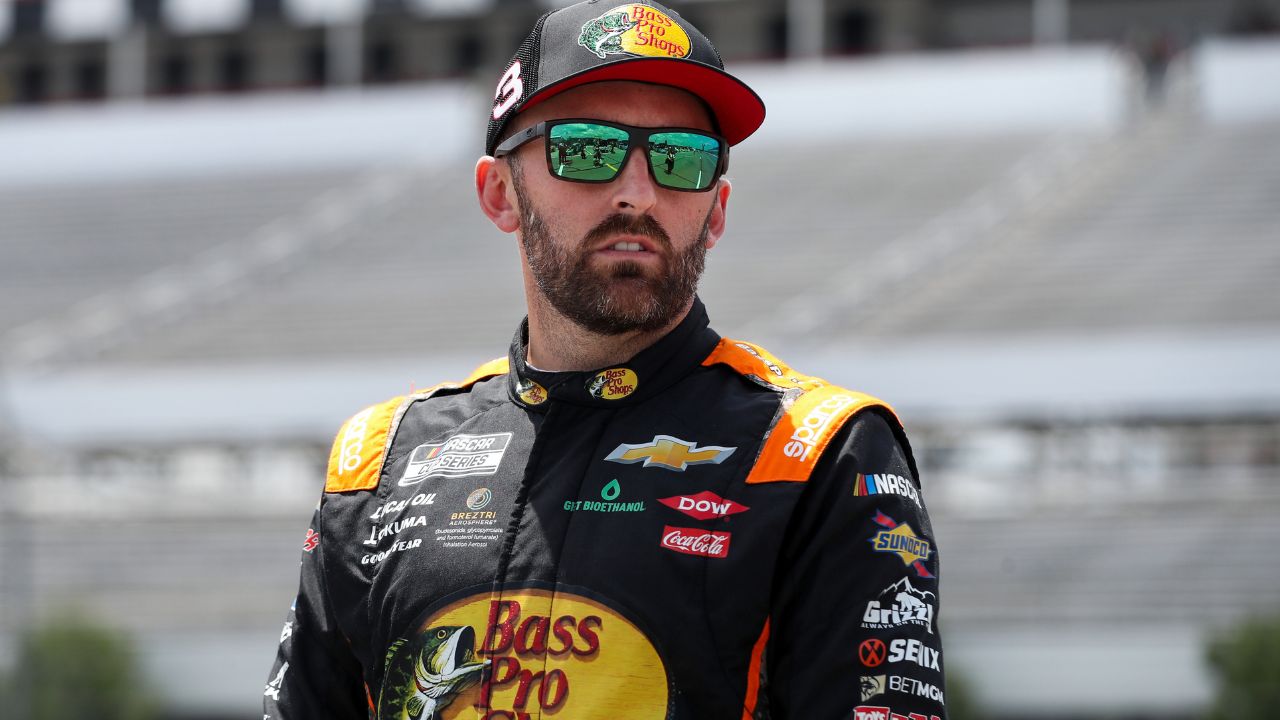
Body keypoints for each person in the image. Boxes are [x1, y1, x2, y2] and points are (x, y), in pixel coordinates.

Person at [264, 2, 946, 718]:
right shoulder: (379, 458)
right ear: (500, 194)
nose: (637, 192)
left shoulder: (818, 450)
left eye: (682, 159)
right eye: (587, 150)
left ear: (715, 211)